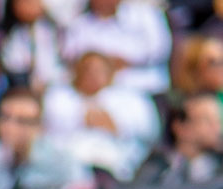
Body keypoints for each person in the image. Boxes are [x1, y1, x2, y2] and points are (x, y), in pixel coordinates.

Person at [41, 50, 158, 181]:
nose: (92, 75)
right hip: (70, 164)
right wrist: (80, 118)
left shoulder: (132, 99)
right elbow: (50, 132)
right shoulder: (58, 97)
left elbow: (149, 133)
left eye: (99, 70)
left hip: (117, 166)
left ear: (110, 72)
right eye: (87, 69)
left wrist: (117, 126)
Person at [56, 0, 171, 95]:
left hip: (144, 90)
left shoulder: (146, 14)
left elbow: (161, 50)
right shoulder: (79, 24)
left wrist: (126, 60)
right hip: (96, 95)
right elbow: (70, 57)